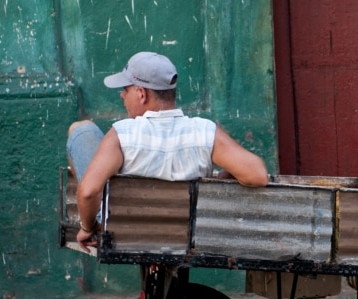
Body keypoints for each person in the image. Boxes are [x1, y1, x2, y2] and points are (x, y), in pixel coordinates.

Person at [67, 51, 269, 252]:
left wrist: (87, 227)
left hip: (125, 229)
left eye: (125, 89)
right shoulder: (204, 132)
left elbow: (88, 192)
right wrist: (222, 177)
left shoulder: (122, 134)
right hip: (191, 231)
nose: (122, 95)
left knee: (81, 129)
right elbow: (257, 175)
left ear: (141, 94)